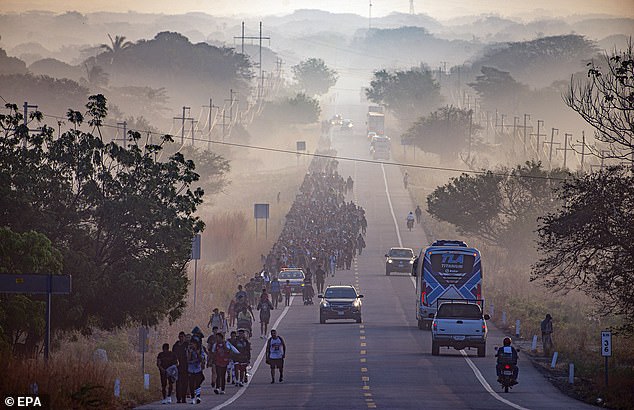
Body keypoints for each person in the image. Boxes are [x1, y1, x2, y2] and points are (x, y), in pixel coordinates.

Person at [172, 332, 189, 403]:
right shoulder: (175, 346)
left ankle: (184, 397)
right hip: (177, 367)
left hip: (185, 366)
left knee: (185, 382)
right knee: (178, 383)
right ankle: (178, 398)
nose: (181, 338)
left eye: (182, 337)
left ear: (184, 337)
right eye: (180, 336)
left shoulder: (187, 345)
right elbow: (172, 355)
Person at [187, 338, 205, 404]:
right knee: (191, 384)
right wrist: (190, 352)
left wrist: (197, 353)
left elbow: (201, 359)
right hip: (190, 369)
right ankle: (192, 398)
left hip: (198, 369)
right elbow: (187, 360)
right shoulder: (189, 350)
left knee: (198, 383)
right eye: (191, 344)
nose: (192, 345)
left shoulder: (200, 350)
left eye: (193, 344)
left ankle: (198, 397)